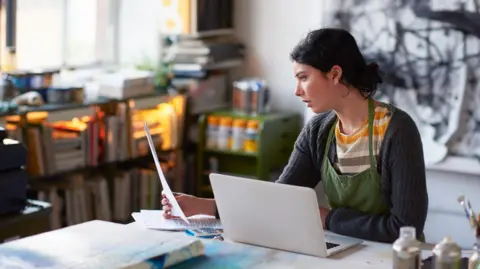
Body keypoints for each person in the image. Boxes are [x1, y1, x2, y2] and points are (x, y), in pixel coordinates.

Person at [162, 28, 428, 243]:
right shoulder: (319, 131)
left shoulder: (396, 130)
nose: (297, 91)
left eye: (303, 77)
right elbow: (278, 201)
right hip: (345, 252)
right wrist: (206, 207)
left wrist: (327, 219)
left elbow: (406, 229)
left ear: (335, 74)